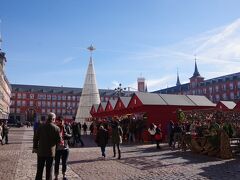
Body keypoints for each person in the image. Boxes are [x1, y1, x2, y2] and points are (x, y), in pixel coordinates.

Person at [33, 112, 61, 180]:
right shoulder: (56, 128)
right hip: (50, 153)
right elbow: (58, 141)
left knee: (39, 170)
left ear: (47, 118)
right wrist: (56, 149)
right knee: (49, 171)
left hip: (41, 152)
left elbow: (35, 138)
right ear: (53, 119)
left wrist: (35, 148)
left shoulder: (41, 126)